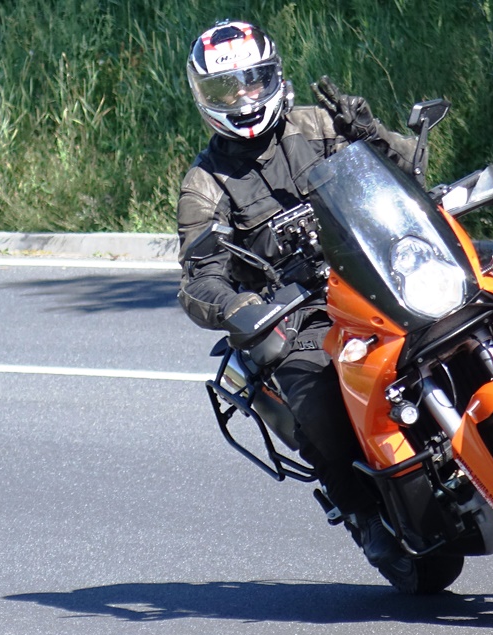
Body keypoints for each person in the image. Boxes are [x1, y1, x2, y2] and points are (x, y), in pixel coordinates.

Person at [175, 20, 420, 569]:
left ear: (274, 76)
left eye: (252, 80)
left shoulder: (321, 125)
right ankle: (360, 508)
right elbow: (199, 277)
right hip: (301, 311)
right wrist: (236, 305)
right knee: (315, 393)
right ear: (204, 98)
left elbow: (411, 173)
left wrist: (371, 133)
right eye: (226, 89)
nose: (243, 98)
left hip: (379, 271)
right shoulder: (205, 184)